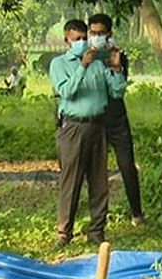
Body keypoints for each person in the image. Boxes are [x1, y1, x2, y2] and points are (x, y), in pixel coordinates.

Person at [49, 19, 127, 246]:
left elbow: (117, 92)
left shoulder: (98, 63)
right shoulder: (59, 64)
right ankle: (64, 233)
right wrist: (82, 67)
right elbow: (66, 91)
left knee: (99, 181)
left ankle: (97, 231)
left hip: (98, 125)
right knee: (70, 181)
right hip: (73, 126)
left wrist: (116, 68)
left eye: (85, 38)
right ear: (67, 41)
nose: (82, 42)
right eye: (77, 39)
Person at [88, 14, 144, 225]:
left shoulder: (119, 54)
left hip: (116, 118)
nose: (96, 36)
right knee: (95, 169)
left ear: (109, 33)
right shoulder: (85, 54)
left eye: (100, 33)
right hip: (94, 118)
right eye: (93, 32)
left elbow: (119, 89)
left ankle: (136, 212)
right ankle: (97, 215)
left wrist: (116, 66)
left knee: (127, 165)